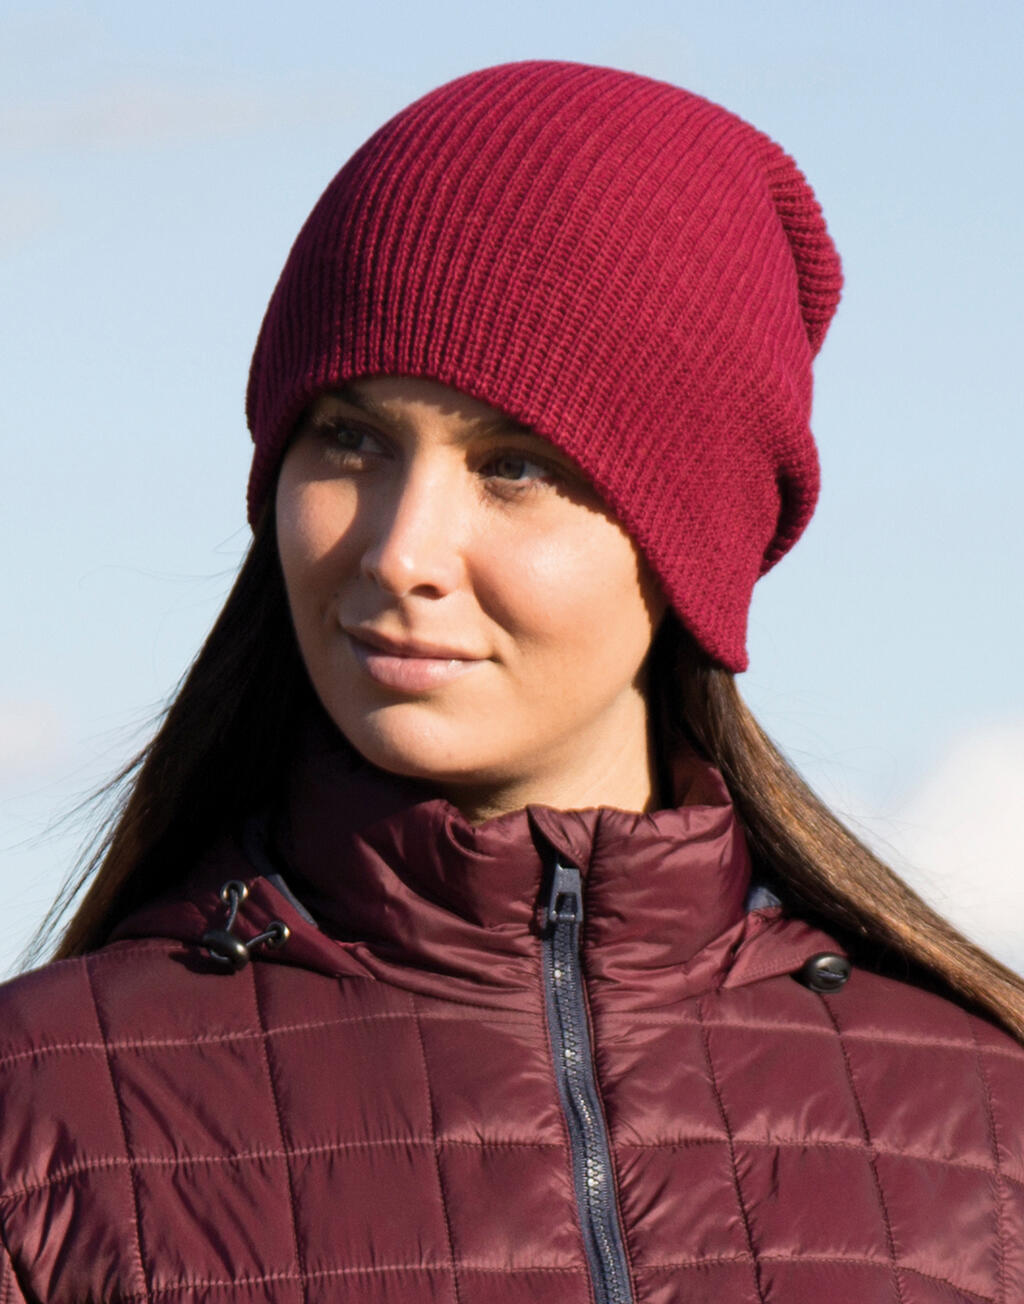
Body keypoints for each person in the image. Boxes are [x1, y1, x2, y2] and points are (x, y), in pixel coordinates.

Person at [2, 59, 1022, 1304]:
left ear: (692, 541)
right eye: (350, 438)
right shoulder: (40, 1119)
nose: (400, 551)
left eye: (516, 466)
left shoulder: (986, 1139)